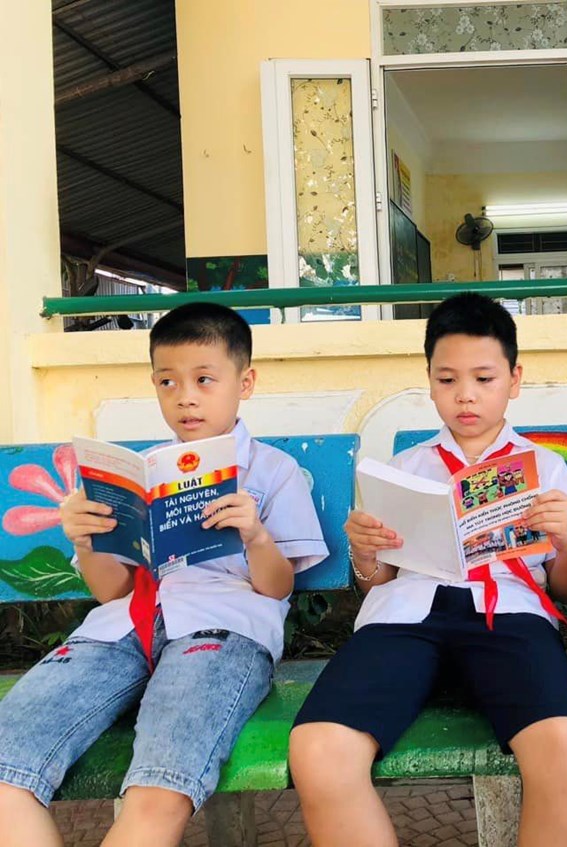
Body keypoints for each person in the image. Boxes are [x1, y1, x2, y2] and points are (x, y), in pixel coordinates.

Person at [0, 303, 327, 847]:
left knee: (159, 788)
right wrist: (85, 541)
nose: (185, 397)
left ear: (245, 383)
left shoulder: (273, 471)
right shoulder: (138, 472)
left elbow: (277, 588)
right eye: (167, 381)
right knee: (6, 764)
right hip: (119, 629)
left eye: (204, 379)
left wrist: (255, 535)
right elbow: (113, 591)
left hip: (222, 632)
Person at [289, 292, 567, 847]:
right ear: (428, 381)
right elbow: (377, 584)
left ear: (514, 379)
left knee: (563, 743)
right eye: (447, 380)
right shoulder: (402, 470)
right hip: (405, 619)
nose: (465, 395)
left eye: (483, 378)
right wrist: (365, 555)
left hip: (510, 617)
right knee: (318, 747)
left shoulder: (546, 469)